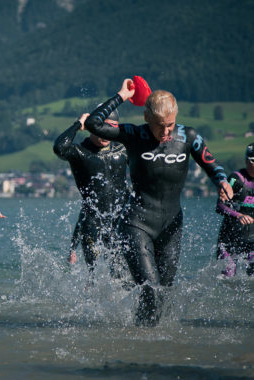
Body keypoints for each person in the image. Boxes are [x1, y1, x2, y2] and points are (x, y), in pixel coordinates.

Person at [85, 79, 233, 326]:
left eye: (170, 125)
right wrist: (122, 95)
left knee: (163, 296)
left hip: (171, 227)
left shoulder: (189, 137)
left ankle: (147, 349)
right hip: (137, 224)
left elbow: (212, 165)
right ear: (146, 118)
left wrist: (222, 181)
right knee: (150, 292)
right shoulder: (133, 134)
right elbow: (93, 124)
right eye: (159, 127)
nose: (165, 133)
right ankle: (141, 345)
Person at [53, 112, 130, 273]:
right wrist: (77, 124)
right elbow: (59, 147)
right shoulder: (80, 152)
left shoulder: (123, 149)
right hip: (93, 225)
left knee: (121, 274)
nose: (105, 132)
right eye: (101, 127)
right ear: (91, 127)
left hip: (121, 221)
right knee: (93, 275)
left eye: (110, 127)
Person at [216, 143, 254, 277]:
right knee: (229, 271)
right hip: (229, 240)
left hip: (251, 240)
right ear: (247, 160)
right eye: (252, 161)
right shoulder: (236, 179)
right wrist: (238, 215)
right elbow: (220, 205)